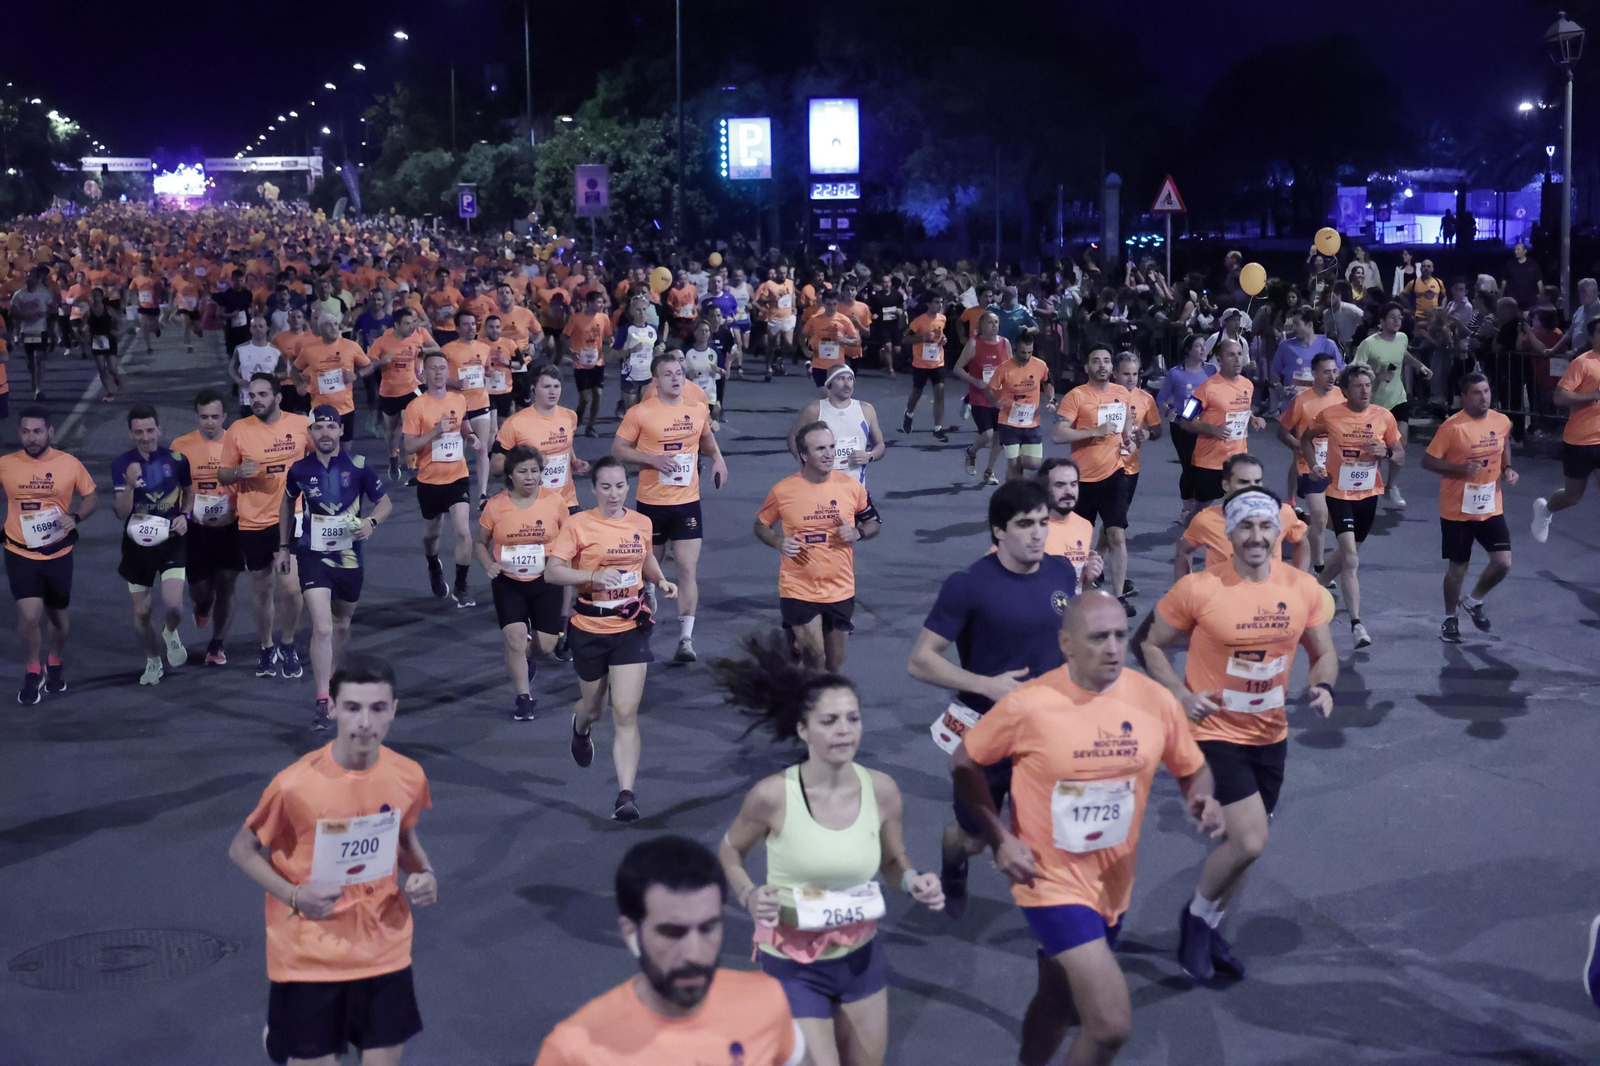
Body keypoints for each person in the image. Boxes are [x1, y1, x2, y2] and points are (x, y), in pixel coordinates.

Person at [954, 590, 1224, 1065]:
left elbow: (1191, 767)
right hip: (1048, 882)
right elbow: (965, 762)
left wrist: (1201, 797)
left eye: (1121, 635)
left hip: (1112, 883)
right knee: (1110, 1025)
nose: (1114, 648)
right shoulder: (1031, 704)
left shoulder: (1153, 699)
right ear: (1067, 644)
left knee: (1057, 1001)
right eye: (1099, 638)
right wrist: (1000, 837)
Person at [1135, 489, 1336, 983]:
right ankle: (1196, 924)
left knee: (1241, 846)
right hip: (1212, 733)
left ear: (1279, 533)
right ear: (1229, 534)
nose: (1256, 537)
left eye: (1266, 527)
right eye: (1245, 527)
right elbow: (1149, 644)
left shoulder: (1302, 588)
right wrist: (1181, 697)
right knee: (1249, 841)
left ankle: (1212, 925)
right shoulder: (1200, 589)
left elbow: (1324, 652)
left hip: (1271, 735)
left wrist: (1322, 685)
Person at [715, 634, 943, 1066]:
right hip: (792, 963)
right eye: (830, 721)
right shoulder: (772, 797)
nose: (844, 730)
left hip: (860, 958)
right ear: (803, 729)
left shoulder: (882, 790)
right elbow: (729, 852)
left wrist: (916, 882)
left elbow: (894, 862)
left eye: (852, 719)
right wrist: (748, 894)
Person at [227, 654, 437, 1066]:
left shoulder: (408, 775)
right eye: (354, 708)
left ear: (393, 710)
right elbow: (242, 850)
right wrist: (294, 896)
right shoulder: (295, 785)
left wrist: (425, 873)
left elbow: (404, 838)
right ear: (335, 708)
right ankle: (282, 1041)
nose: (365, 723)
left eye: (377, 709)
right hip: (310, 957)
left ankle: (284, 1039)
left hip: (384, 948)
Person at [905, 480, 1082, 918]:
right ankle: (953, 861)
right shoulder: (968, 585)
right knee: (974, 838)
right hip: (987, 737)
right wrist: (986, 684)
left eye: (1042, 522)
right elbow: (920, 661)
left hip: (1046, 735)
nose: (1038, 533)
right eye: (1025, 525)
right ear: (998, 531)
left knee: (1050, 831)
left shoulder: (1062, 572)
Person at [532, 835, 806, 1066]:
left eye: (708, 928)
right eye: (672, 932)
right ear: (631, 932)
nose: (694, 953)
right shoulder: (574, 1051)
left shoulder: (765, 1001)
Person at [545, 457, 679, 822]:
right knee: (595, 708)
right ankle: (581, 725)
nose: (614, 493)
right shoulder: (578, 525)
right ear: (594, 489)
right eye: (606, 486)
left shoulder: (640, 522)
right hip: (589, 628)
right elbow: (552, 572)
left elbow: (645, 557)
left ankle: (625, 795)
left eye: (620, 486)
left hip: (630, 627)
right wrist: (591, 575)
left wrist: (660, 579)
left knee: (625, 711)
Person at [279, 406, 393, 727]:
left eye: (331, 427)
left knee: (341, 623)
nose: (325, 433)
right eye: (319, 428)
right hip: (312, 555)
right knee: (324, 626)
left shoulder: (359, 466)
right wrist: (284, 547)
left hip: (349, 557)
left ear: (341, 431)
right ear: (311, 433)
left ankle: (330, 676)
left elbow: (385, 502)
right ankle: (321, 697)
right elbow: (287, 503)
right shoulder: (299, 469)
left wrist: (371, 521)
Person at [613, 355, 729, 664]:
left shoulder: (696, 408)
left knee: (687, 569)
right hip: (651, 503)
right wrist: (652, 460)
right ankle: (642, 623)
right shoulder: (641, 413)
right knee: (649, 571)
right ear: (655, 381)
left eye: (679, 373)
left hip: (687, 502)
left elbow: (705, 437)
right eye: (668, 374)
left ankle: (685, 638)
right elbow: (619, 450)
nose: (676, 379)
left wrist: (718, 457)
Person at [755, 422, 881, 672]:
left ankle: (795, 644)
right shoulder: (784, 490)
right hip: (798, 587)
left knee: (834, 663)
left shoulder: (851, 487)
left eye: (832, 447)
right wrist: (778, 542)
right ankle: (806, 706)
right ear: (803, 455)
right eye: (820, 448)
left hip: (840, 587)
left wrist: (857, 532)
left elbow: (874, 522)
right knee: (816, 659)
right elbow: (761, 525)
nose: (829, 454)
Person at [1302, 365, 1404, 649]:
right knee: (1351, 558)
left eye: (1368, 386)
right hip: (1338, 494)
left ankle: (1317, 586)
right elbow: (1306, 438)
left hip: (1369, 495)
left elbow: (1400, 454)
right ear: (1345, 391)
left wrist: (1387, 451)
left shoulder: (1384, 417)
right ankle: (1357, 625)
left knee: (1351, 551)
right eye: (1358, 386)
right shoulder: (1331, 415)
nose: (1364, 391)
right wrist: (1313, 465)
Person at [2, 406, 98, 703]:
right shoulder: (6, 463)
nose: (31, 438)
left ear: (50, 432)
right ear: (19, 432)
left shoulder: (69, 464)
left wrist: (77, 517)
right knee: (29, 614)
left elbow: (91, 496)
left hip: (57, 552)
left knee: (58, 618)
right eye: (26, 431)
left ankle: (54, 661)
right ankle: (33, 669)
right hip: (20, 551)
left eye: (37, 431)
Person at [219, 374, 311, 680]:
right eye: (251, 394)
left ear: (277, 397)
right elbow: (223, 474)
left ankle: (288, 644)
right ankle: (266, 645)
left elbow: (322, 453)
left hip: (292, 517)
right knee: (262, 589)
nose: (255, 399)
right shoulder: (238, 430)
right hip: (253, 521)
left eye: (261, 394)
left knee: (291, 586)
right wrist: (237, 472)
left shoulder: (299, 425)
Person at [1421, 373, 1516, 642]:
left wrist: (1507, 468)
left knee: (1503, 563)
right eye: (1476, 393)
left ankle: (1474, 600)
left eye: (1486, 391)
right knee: (1458, 569)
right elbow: (1427, 462)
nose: (1483, 397)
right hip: (1457, 510)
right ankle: (1450, 619)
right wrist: (1459, 469)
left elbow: (1504, 442)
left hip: (1490, 505)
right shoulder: (1453, 427)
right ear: (1464, 397)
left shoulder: (1501, 420)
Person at [478, 444, 569, 720]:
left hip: (545, 581)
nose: (530, 477)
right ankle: (524, 697)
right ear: (510, 475)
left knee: (546, 647)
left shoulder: (555, 502)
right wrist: (488, 565)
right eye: (522, 472)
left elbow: (569, 541)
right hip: (509, 582)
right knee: (515, 638)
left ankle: (526, 655)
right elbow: (480, 543)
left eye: (534, 471)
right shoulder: (495, 506)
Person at [111, 405, 193, 686]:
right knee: (142, 612)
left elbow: (189, 491)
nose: (145, 437)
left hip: (171, 541)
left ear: (159, 429)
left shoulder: (178, 459)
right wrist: (131, 486)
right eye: (138, 432)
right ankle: (153, 661)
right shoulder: (122, 465)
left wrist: (186, 515)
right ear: (131, 433)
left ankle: (170, 633)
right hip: (137, 546)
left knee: (175, 607)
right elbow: (121, 513)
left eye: (150, 430)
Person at [1053, 348, 1136, 614]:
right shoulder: (1076, 396)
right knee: (1078, 540)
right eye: (1095, 361)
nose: (1102, 365)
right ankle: (1073, 592)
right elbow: (1058, 434)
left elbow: (1126, 431)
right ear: (1087, 367)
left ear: (1112, 367)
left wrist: (1130, 440)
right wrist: (1093, 432)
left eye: (1106, 361)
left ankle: (1119, 595)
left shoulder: (1121, 393)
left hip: (1113, 473)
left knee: (1116, 534)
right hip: (1081, 480)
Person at [403, 351, 479, 608]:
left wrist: (470, 437)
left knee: (463, 531)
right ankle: (434, 564)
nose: (438, 373)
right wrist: (436, 431)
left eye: (442, 368)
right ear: (423, 374)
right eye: (433, 368)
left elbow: (464, 425)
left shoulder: (458, 399)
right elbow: (410, 446)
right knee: (432, 535)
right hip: (430, 480)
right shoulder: (416, 406)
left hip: (457, 475)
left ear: (448, 373)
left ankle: (461, 587)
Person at [172, 388, 242, 666]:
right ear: (196, 418)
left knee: (227, 584)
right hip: (196, 527)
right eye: (204, 417)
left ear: (224, 416)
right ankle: (203, 606)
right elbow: (173, 486)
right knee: (200, 589)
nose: (210, 422)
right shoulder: (180, 446)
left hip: (231, 525)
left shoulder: (238, 443)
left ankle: (217, 644)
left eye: (215, 416)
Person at [1174, 453, 1308, 578]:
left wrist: (1299, 581)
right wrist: (1185, 591)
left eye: (1257, 481)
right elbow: (1184, 551)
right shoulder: (1206, 520)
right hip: (1222, 600)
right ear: (1226, 485)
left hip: (1267, 600)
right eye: (1244, 482)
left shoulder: (1282, 513)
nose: (1252, 488)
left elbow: (1301, 542)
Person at [1353, 303, 1429, 507]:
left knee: (1400, 445)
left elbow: (1403, 354)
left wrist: (1419, 365)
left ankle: (1391, 486)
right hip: (1375, 403)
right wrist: (1376, 376)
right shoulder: (1368, 344)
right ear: (1382, 321)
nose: (1397, 321)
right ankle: (1368, 486)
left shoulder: (1403, 338)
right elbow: (1356, 370)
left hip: (1398, 399)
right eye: (1393, 317)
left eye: (1400, 318)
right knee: (1373, 450)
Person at [1274, 351, 1344, 574]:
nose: (1331, 376)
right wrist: (1299, 446)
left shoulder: (1343, 397)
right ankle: (1319, 566)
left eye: (1334, 371)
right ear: (1314, 374)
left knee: (1331, 520)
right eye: (1326, 372)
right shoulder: (1302, 401)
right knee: (1321, 516)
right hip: (1308, 466)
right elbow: (1282, 432)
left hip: (1337, 467)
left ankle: (1301, 519)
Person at [1532, 319, 1600, 542]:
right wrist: (1594, 396)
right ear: (1592, 337)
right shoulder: (1582, 363)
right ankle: (1545, 510)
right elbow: (1559, 397)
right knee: (1573, 496)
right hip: (1580, 440)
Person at [1179, 338, 1263, 506]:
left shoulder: (1247, 385)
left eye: (1240, 354)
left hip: (1238, 458)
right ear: (1219, 360)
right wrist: (1212, 429)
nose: (1237, 359)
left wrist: (1253, 418)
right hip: (1210, 461)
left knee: (1238, 506)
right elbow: (1185, 420)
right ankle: (1189, 530)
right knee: (1204, 511)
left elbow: (1241, 409)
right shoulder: (1206, 388)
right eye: (1231, 355)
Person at [367, 306, 437, 482]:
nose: (411, 326)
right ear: (396, 325)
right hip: (389, 392)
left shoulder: (415, 340)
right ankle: (393, 456)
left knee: (412, 428)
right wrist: (381, 362)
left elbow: (423, 355)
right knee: (392, 431)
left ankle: (414, 466)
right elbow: (368, 364)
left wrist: (421, 369)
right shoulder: (382, 342)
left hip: (410, 389)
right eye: (407, 323)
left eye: (413, 323)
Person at [786, 366, 885, 486]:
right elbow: (793, 435)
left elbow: (880, 444)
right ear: (830, 384)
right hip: (820, 486)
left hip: (855, 488)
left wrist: (869, 456)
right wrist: (800, 459)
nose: (847, 384)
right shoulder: (815, 410)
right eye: (841, 378)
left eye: (850, 379)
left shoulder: (866, 410)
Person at [294, 314, 375, 450]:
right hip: (320, 408)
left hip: (345, 408)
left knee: (345, 451)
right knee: (321, 450)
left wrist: (356, 375)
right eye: (329, 324)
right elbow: (295, 370)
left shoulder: (351, 346)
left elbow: (369, 366)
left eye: (336, 324)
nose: (333, 328)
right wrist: (298, 384)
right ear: (320, 328)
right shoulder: (309, 349)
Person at [439, 311, 495, 504]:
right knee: (457, 452)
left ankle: (482, 494)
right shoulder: (447, 350)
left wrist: (490, 372)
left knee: (482, 448)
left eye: (473, 323)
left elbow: (487, 370)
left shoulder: (484, 348)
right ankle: (455, 490)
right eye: (466, 324)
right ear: (457, 328)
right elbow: (438, 377)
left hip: (480, 403)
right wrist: (454, 382)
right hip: (457, 407)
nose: (471, 327)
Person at [951, 311, 1010, 484]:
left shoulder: (1005, 343)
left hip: (1000, 397)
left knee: (1000, 436)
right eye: (990, 322)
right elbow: (958, 368)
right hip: (980, 397)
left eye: (996, 322)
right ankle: (972, 451)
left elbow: (1011, 368)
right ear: (982, 325)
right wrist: (975, 381)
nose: (994, 326)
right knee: (987, 435)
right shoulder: (973, 344)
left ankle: (989, 471)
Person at [988, 330, 1054, 481]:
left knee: (1033, 463)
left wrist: (1051, 399)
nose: (1026, 356)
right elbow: (989, 390)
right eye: (1023, 352)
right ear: (1015, 348)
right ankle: (1012, 497)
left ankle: (1016, 465)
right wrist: (995, 402)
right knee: (1013, 465)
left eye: (1030, 352)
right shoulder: (1004, 368)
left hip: (1032, 423)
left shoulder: (1040, 365)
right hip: (1008, 423)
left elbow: (1048, 383)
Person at [1035, 458, 1106, 590]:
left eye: (1073, 484)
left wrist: (1088, 578)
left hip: (1071, 609)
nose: (1069, 491)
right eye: (1060, 485)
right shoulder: (1030, 528)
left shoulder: (1085, 526)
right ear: (1044, 488)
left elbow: (1078, 589)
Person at [563, 289, 613, 437]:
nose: (601, 305)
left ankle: (591, 425)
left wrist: (611, 342)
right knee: (585, 397)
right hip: (581, 362)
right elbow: (564, 337)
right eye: (598, 302)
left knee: (598, 393)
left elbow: (609, 335)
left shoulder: (604, 318)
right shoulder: (576, 318)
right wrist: (571, 352)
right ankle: (579, 415)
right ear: (589, 303)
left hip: (598, 361)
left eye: (602, 302)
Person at [901, 293, 949, 441]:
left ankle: (938, 428)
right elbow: (905, 338)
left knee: (939, 392)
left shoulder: (942, 319)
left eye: (941, 302)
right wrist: (922, 338)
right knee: (917, 392)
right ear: (928, 304)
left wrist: (943, 341)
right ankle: (909, 413)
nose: (939, 305)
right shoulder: (918, 321)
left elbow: (941, 336)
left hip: (937, 361)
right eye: (936, 302)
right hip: (921, 363)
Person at [801, 288, 860, 394]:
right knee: (828, 397)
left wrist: (843, 340)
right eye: (828, 304)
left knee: (836, 398)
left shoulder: (844, 320)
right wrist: (804, 349)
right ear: (823, 303)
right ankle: (811, 368)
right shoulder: (815, 319)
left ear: (838, 304)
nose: (832, 308)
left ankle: (809, 368)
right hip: (819, 366)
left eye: (834, 304)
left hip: (837, 367)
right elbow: (802, 335)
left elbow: (856, 341)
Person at [231, 314, 289, 418]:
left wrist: (275, 376)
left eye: (261, 326)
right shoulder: (240, 349)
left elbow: (285, 373)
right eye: (255, 326)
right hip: (247, 399)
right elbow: (232, 367)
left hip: (268, 400)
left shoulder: (275, 351)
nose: (258, 329)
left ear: (267, 328)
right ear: (250, 329)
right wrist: (238, 379)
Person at [757, 263, 800, 376]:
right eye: (780, 273)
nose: (783, 275)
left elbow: (793, 295)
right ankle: (769, 368)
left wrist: (794, 306)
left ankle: (779, 361)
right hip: (774, 318)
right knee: (771, 345)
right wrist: (772, 298)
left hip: (788, 317)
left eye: (785, 273)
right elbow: (761, 298)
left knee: (789, 343)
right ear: (776, 272)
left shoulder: (790, 282)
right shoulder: (769, 284)